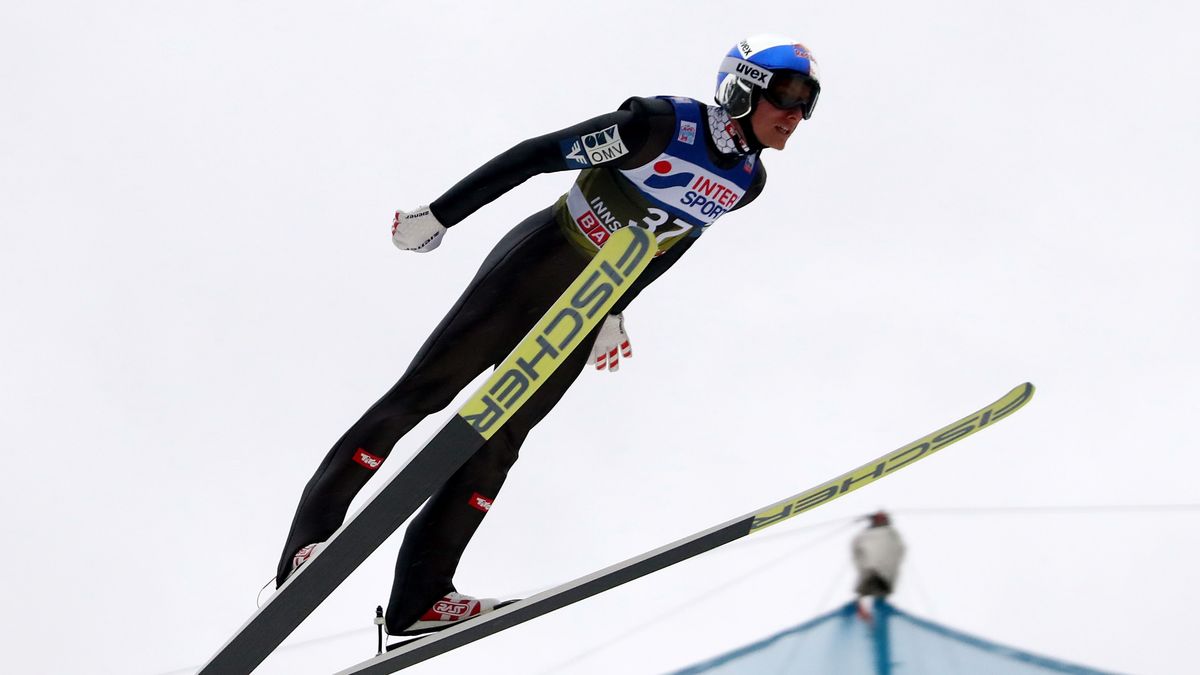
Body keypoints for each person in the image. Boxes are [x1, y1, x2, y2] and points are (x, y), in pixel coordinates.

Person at [275, 34, 821, 637]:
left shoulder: (747, 181)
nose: (796, 115)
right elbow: (538, 154)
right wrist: (441, 214)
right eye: (786, 96)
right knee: (426, 392)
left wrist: (615, 310)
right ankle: (308, 545)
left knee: (500, 439)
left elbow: (672, 243)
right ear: (742, 90)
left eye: (807, 102)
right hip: (539, 264)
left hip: (584, 306)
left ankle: (420, 599)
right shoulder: (661, 126)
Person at [852, 511, 906, 599]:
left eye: (881, 519)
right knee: (868, 593)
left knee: (876, 591)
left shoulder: (891, 534)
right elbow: (856, 549)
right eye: (878, 519)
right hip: (870, 573)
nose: (879, 521)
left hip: (882, 574)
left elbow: (899, 550)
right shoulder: (865, 535)